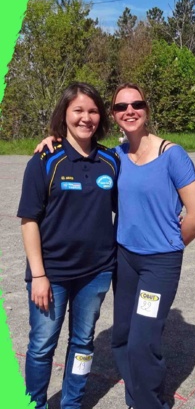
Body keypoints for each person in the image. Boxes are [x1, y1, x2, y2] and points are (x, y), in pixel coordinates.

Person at [19, 83, 118, 409]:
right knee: (42, 344)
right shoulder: (45, 160)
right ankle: (35, 403)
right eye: (78, 110)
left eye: (92, 111)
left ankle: (72, 403)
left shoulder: (111, 161)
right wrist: (39, 276)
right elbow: (29, 221)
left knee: (83, 343)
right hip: (52, 275)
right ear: (64, 114)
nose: (86, 117)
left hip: (96, 273)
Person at [109, 83, 195, 409]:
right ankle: (138, 399)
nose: (129, 111)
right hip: (124, 260)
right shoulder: (115, 157)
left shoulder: (172, 155)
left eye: (136, 104)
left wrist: (170, 246)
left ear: (147, 110)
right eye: (121, 107)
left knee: (141, 342)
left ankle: (151, 404)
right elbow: (76, 158)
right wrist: (52, 141)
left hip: (158, 265)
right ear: (114, 116)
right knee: (121, 337)